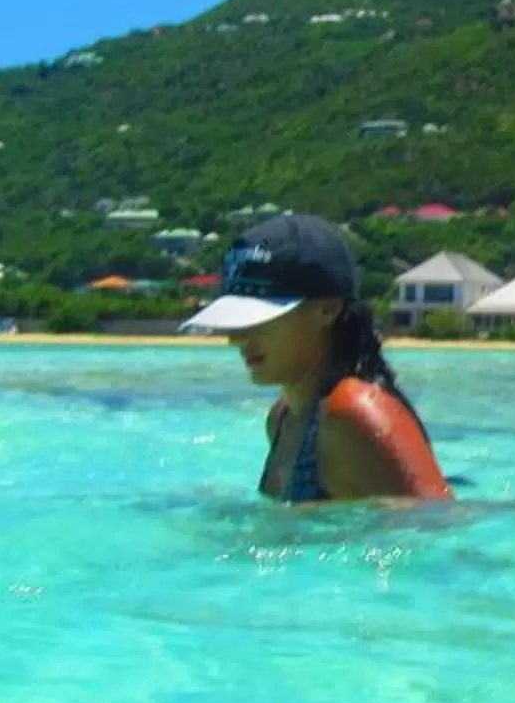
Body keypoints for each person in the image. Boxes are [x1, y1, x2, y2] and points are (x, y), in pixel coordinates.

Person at [183, 214, 451, 503]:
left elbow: (437, 529)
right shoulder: (283, 419)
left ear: (327, 310)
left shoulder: (353, 415)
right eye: (235, 321)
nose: (236, 339)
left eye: (259, 321)